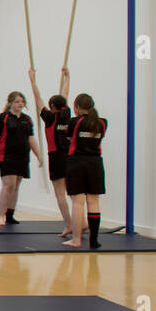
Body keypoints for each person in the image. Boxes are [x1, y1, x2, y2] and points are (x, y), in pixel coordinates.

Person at [29, 67, 74, 236]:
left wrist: (32, 79)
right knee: (73, 193)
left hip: (56, 157)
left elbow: (37, 98)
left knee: (60, 194)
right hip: (69, 156)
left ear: (52, 106)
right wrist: (68, 77)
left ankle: (69, 224)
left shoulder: (49, 118)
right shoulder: (66, 114)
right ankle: (81, 222)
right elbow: (65, 94)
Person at [0, 90, 41, 226]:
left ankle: (10, 215)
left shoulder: (27, 119)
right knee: (8, 185)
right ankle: (0, 215)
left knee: (16, 186)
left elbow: (31, 139)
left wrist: (39, 155)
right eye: (17, 101)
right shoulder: (2, 118)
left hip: (22, 157)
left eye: (22, 102)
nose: (20, 104)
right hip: (6, 156)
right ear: (10, 103)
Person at [62, 93, 106, 249]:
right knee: (94, 201)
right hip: (95, 164)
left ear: (77, 107)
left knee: (78, 202)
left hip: (77, 163)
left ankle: (76, 239)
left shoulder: (75, 122)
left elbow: (69, 138)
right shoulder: (102, 123)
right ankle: (94, 240)